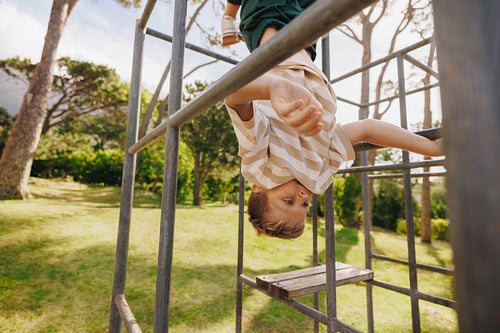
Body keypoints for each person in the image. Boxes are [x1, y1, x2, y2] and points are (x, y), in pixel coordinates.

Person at [222, 1, 444, 240]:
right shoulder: (318, 173)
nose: (303, 199)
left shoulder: (259, 166)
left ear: (258, 188)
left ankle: (228, 16)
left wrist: (272, 87)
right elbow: (367, 129)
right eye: (305, 207)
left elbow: (234, 97)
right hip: (304, 38)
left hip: (269, 23)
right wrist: (429, 148)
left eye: (289, 202)